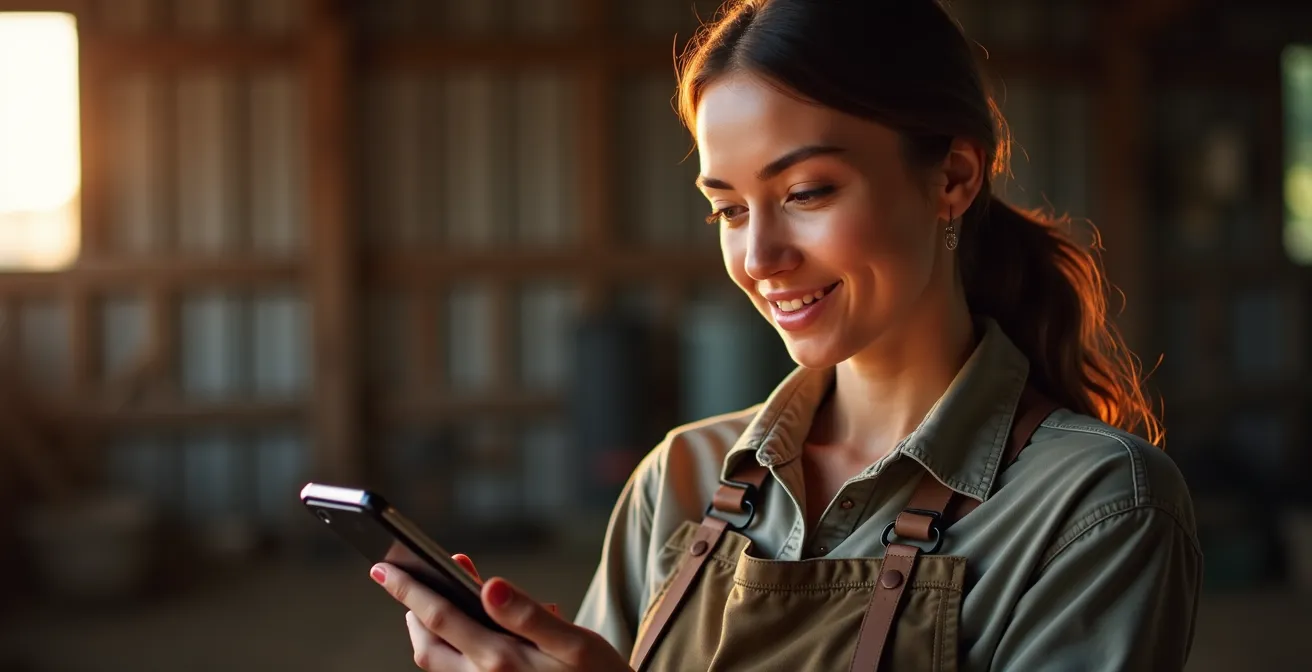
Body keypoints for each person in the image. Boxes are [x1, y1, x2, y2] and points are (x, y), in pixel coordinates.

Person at [368, 0, 1202, 669]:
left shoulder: (1096, 508)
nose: (758, 256)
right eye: (729, 208)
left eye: (806, 192)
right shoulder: (681, 479)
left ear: (951, 177)